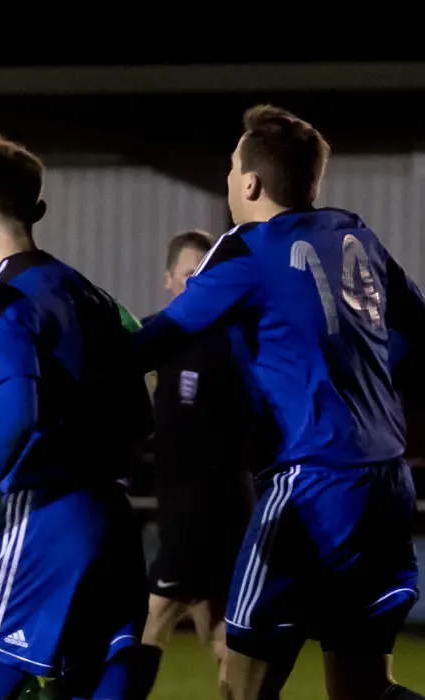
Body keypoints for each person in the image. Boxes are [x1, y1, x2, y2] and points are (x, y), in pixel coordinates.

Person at [135, 104, 425, 700]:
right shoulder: (356, 233)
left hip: (311, 485)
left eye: (231, 167)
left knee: (242, 682)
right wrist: (355, 387)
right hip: (387, 481)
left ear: (250, 182)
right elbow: (417, 326)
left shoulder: (246, 248)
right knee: (364, 687)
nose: (227, 180)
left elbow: (153, 343)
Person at [0, 132, 152, 700]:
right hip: (115, 524)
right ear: (38, 209)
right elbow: (139, 412)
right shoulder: (88, 293)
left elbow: (15, 412)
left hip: (46, 517)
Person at [135, 230, 257, 698]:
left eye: (205, 277)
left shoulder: (227, 344)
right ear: (169, 280)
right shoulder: (154, 339)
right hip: (189, 505)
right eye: (189, 276)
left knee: (150, 622)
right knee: (223, 635)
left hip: (206, 508)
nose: (197, 285)